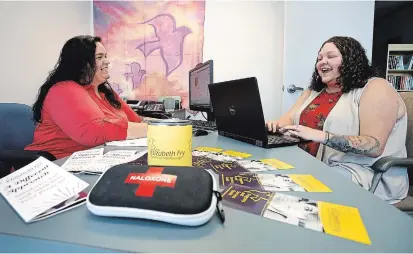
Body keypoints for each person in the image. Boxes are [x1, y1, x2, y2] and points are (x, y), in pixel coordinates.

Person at [266, 36, 409, 204]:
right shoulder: (313, 92)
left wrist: (321, 136)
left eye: (330, 56)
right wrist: (273, 126)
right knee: (268, 175)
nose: (322, 62)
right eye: (319, 58)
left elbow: (374, 145)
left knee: (295, 191)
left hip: (363, 172)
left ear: (351, 59)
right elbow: (288, 118)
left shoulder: (376, 88)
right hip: (313, 164)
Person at [25, 35, 148, 159]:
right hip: (58, 163)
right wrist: (154, 131)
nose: (107, 61)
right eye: (99, 57)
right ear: (81, 63)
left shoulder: (104, 91)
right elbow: (95, 132)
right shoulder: (64, 90)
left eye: (105, 56)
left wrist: (155, 127)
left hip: (96, 159)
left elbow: (136, 121)